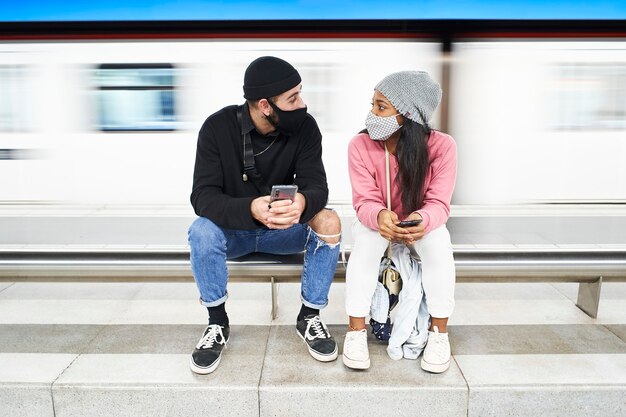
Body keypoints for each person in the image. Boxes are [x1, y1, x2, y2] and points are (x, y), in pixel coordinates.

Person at [188, 56, 341, 375]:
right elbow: (202, 197)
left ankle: (309, 316)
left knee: (329, 220)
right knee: (201, 230)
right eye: (293, 98)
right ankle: (217, 323)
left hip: (285, 230)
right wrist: (250, 208)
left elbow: (317, 186)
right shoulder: (217, 127)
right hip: (234, 233)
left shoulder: (306, 128)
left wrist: (302, 202)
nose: (302, 104)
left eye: (300, 94)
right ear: (265, 105)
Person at [342, 71, 457, 373]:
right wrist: (379, 216)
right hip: (378, 222)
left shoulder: (442, 147)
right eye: (373, 105)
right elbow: (363, 201)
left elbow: (439, 203)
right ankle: (355, 331)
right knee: (366, 241)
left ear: (407, 115)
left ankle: (439, 333)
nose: (371, 114)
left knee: (438, 242)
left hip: (419, 225)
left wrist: (422, 220)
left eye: (381, 107)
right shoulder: (360, 146)